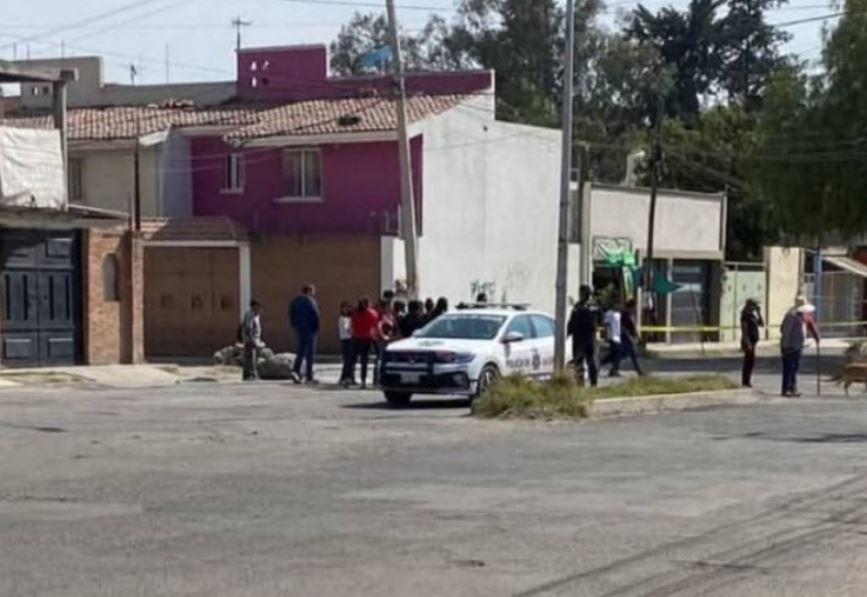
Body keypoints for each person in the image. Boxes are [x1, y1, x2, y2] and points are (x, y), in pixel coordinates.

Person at [780, 295, 820, 397]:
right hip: (789, 345)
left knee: (794, 368)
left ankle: (793, 388)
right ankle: (786, 389)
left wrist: (816, 336)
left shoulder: (805, 315)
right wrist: (785, 345)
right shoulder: (791, 316)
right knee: (788, 368)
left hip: (798, 345)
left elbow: (811, 325)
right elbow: (785, 331)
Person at [567, 285, 601, 387]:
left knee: (589, 361)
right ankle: (581, 383)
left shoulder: (590, 305)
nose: (581, 294)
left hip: (586, 337)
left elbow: (595, 317)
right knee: (580, 362)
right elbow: (572, 321)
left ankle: (592, 383)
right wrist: (568, 332)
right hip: (581, 337)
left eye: (582, 292)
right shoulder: (580, 306)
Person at [289, 284, 320, 384]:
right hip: (310, 329)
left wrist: (295, 325)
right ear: (309, 291)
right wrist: (316, 327)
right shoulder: (310, 301)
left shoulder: (295, 301)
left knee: (301, 351)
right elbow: (315, 314)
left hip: (299, 329)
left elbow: (291, 314)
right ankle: (309, 376)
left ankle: (296, 371)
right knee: (310, 353)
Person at [351, 297, 380, 389]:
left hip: (356, 337)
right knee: (364, 361)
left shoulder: (355, 313)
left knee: (353, 359)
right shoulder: (371, 313)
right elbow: (376, 321)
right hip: (367, 338)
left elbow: (352, 323)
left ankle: (350, 378)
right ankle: (363, 381)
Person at [740, 298, 764, 387]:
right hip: (748, 341)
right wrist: (747, 342)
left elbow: (761, 323)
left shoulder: (753, 316)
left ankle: (747, 380)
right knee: (748, 361)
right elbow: (744, 330)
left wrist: (759, 313)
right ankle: (745, 381)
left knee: (751, 362)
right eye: (754, 306)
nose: (755, 307)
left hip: (753, 341)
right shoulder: (745, 316)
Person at [241, 300, 263, 381]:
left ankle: (252, 373)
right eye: (257, 306)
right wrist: (251, 339)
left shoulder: (256, 315)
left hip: (255, 339)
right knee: (250, 357)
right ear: (253, 306)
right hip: (250, 339)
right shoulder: (249, 314)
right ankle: (249, 374)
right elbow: (248, 328)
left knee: (253, 356)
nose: (258, 309)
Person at [620, 299, 643, 376]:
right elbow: (623, 327)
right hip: (626, 337)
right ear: (632, 306)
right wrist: (629, 336)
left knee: (628, 354)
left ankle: (639, 371)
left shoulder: (630, 314)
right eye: (635, 306)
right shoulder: (626, 314)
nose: (635, 308)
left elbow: (633, 327)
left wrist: (637, 336)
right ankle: (638, 371)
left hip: (630, 337)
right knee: (628, 354)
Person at [600, 300, 623, 377]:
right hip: (613, 337)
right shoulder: (610, 314)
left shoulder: (618, 314)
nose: (619, 307)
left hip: (618, 337)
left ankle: (603, 364)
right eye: (618, 305)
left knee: (615, 354)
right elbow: (604, 322)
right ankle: (614, 370)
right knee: (616, 355)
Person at [338, 301, 355, 387]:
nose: (347, 309)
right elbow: (347, 329)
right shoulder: (342, 318)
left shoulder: (349, 318)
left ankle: (349, 377)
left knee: (350, 361)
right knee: (347, 361)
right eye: (345, 308)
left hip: (349, 339)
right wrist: (353, 332)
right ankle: (344, 378)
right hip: (346, 340)